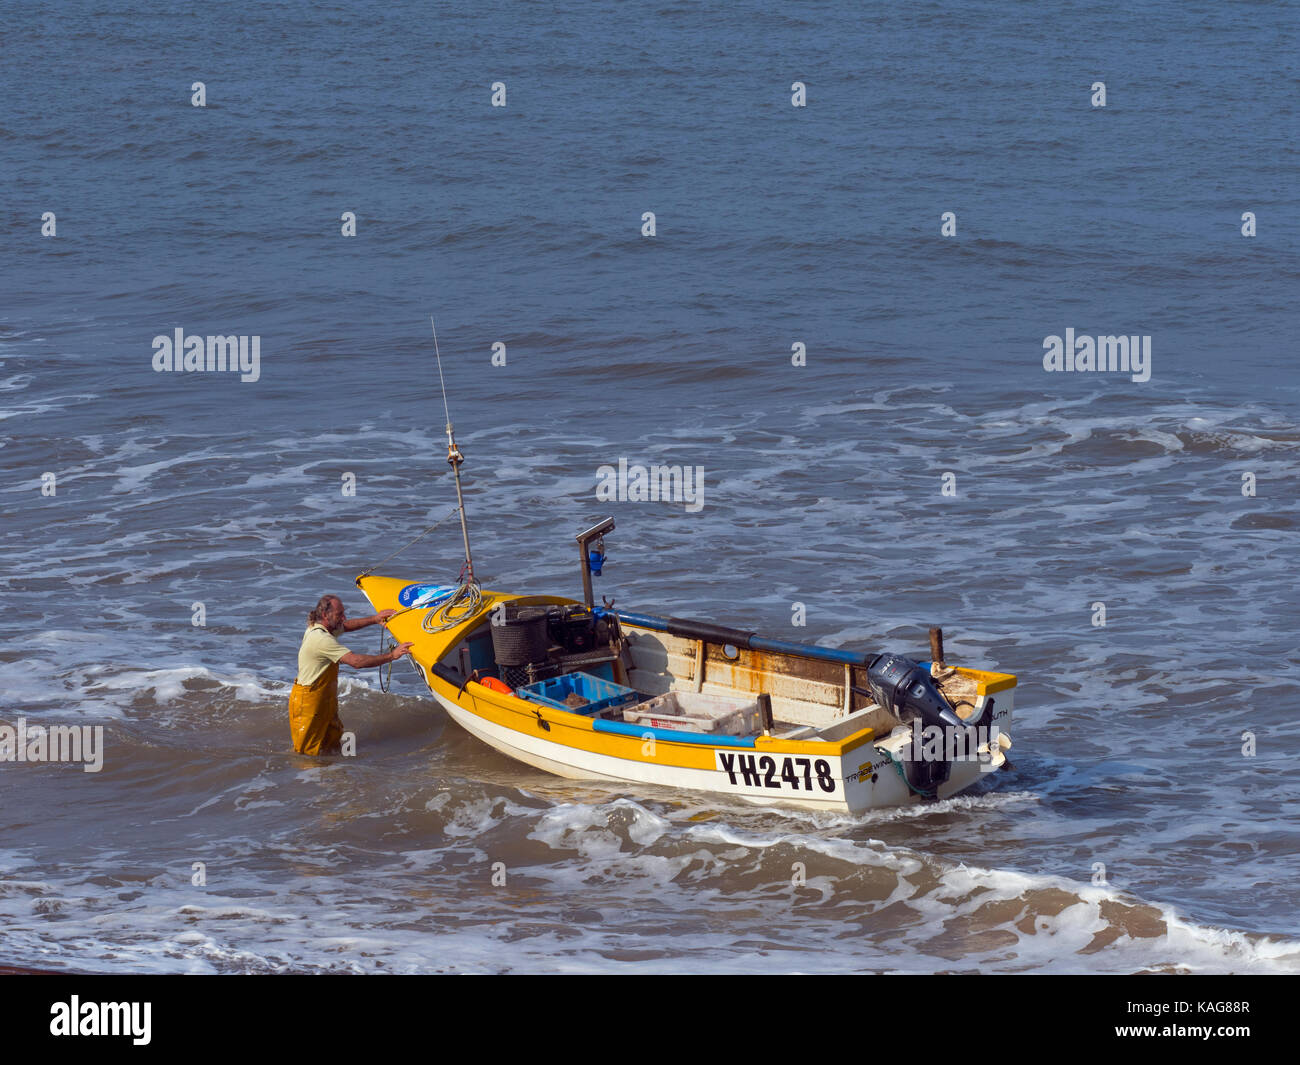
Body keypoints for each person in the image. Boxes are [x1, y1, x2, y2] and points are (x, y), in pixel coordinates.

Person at [288, 594, 413, 755]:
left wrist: (375, 619)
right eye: (339, 614)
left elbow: (346, 626)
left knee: (332, 747)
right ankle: (305, 779)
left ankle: (332, 776)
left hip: (324, 699)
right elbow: (356, 661)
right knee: (306, 756)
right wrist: (392, 656)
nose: (344, 617)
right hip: (308, 702)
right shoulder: (321, 639)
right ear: (325, 615)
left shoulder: (321, 627)